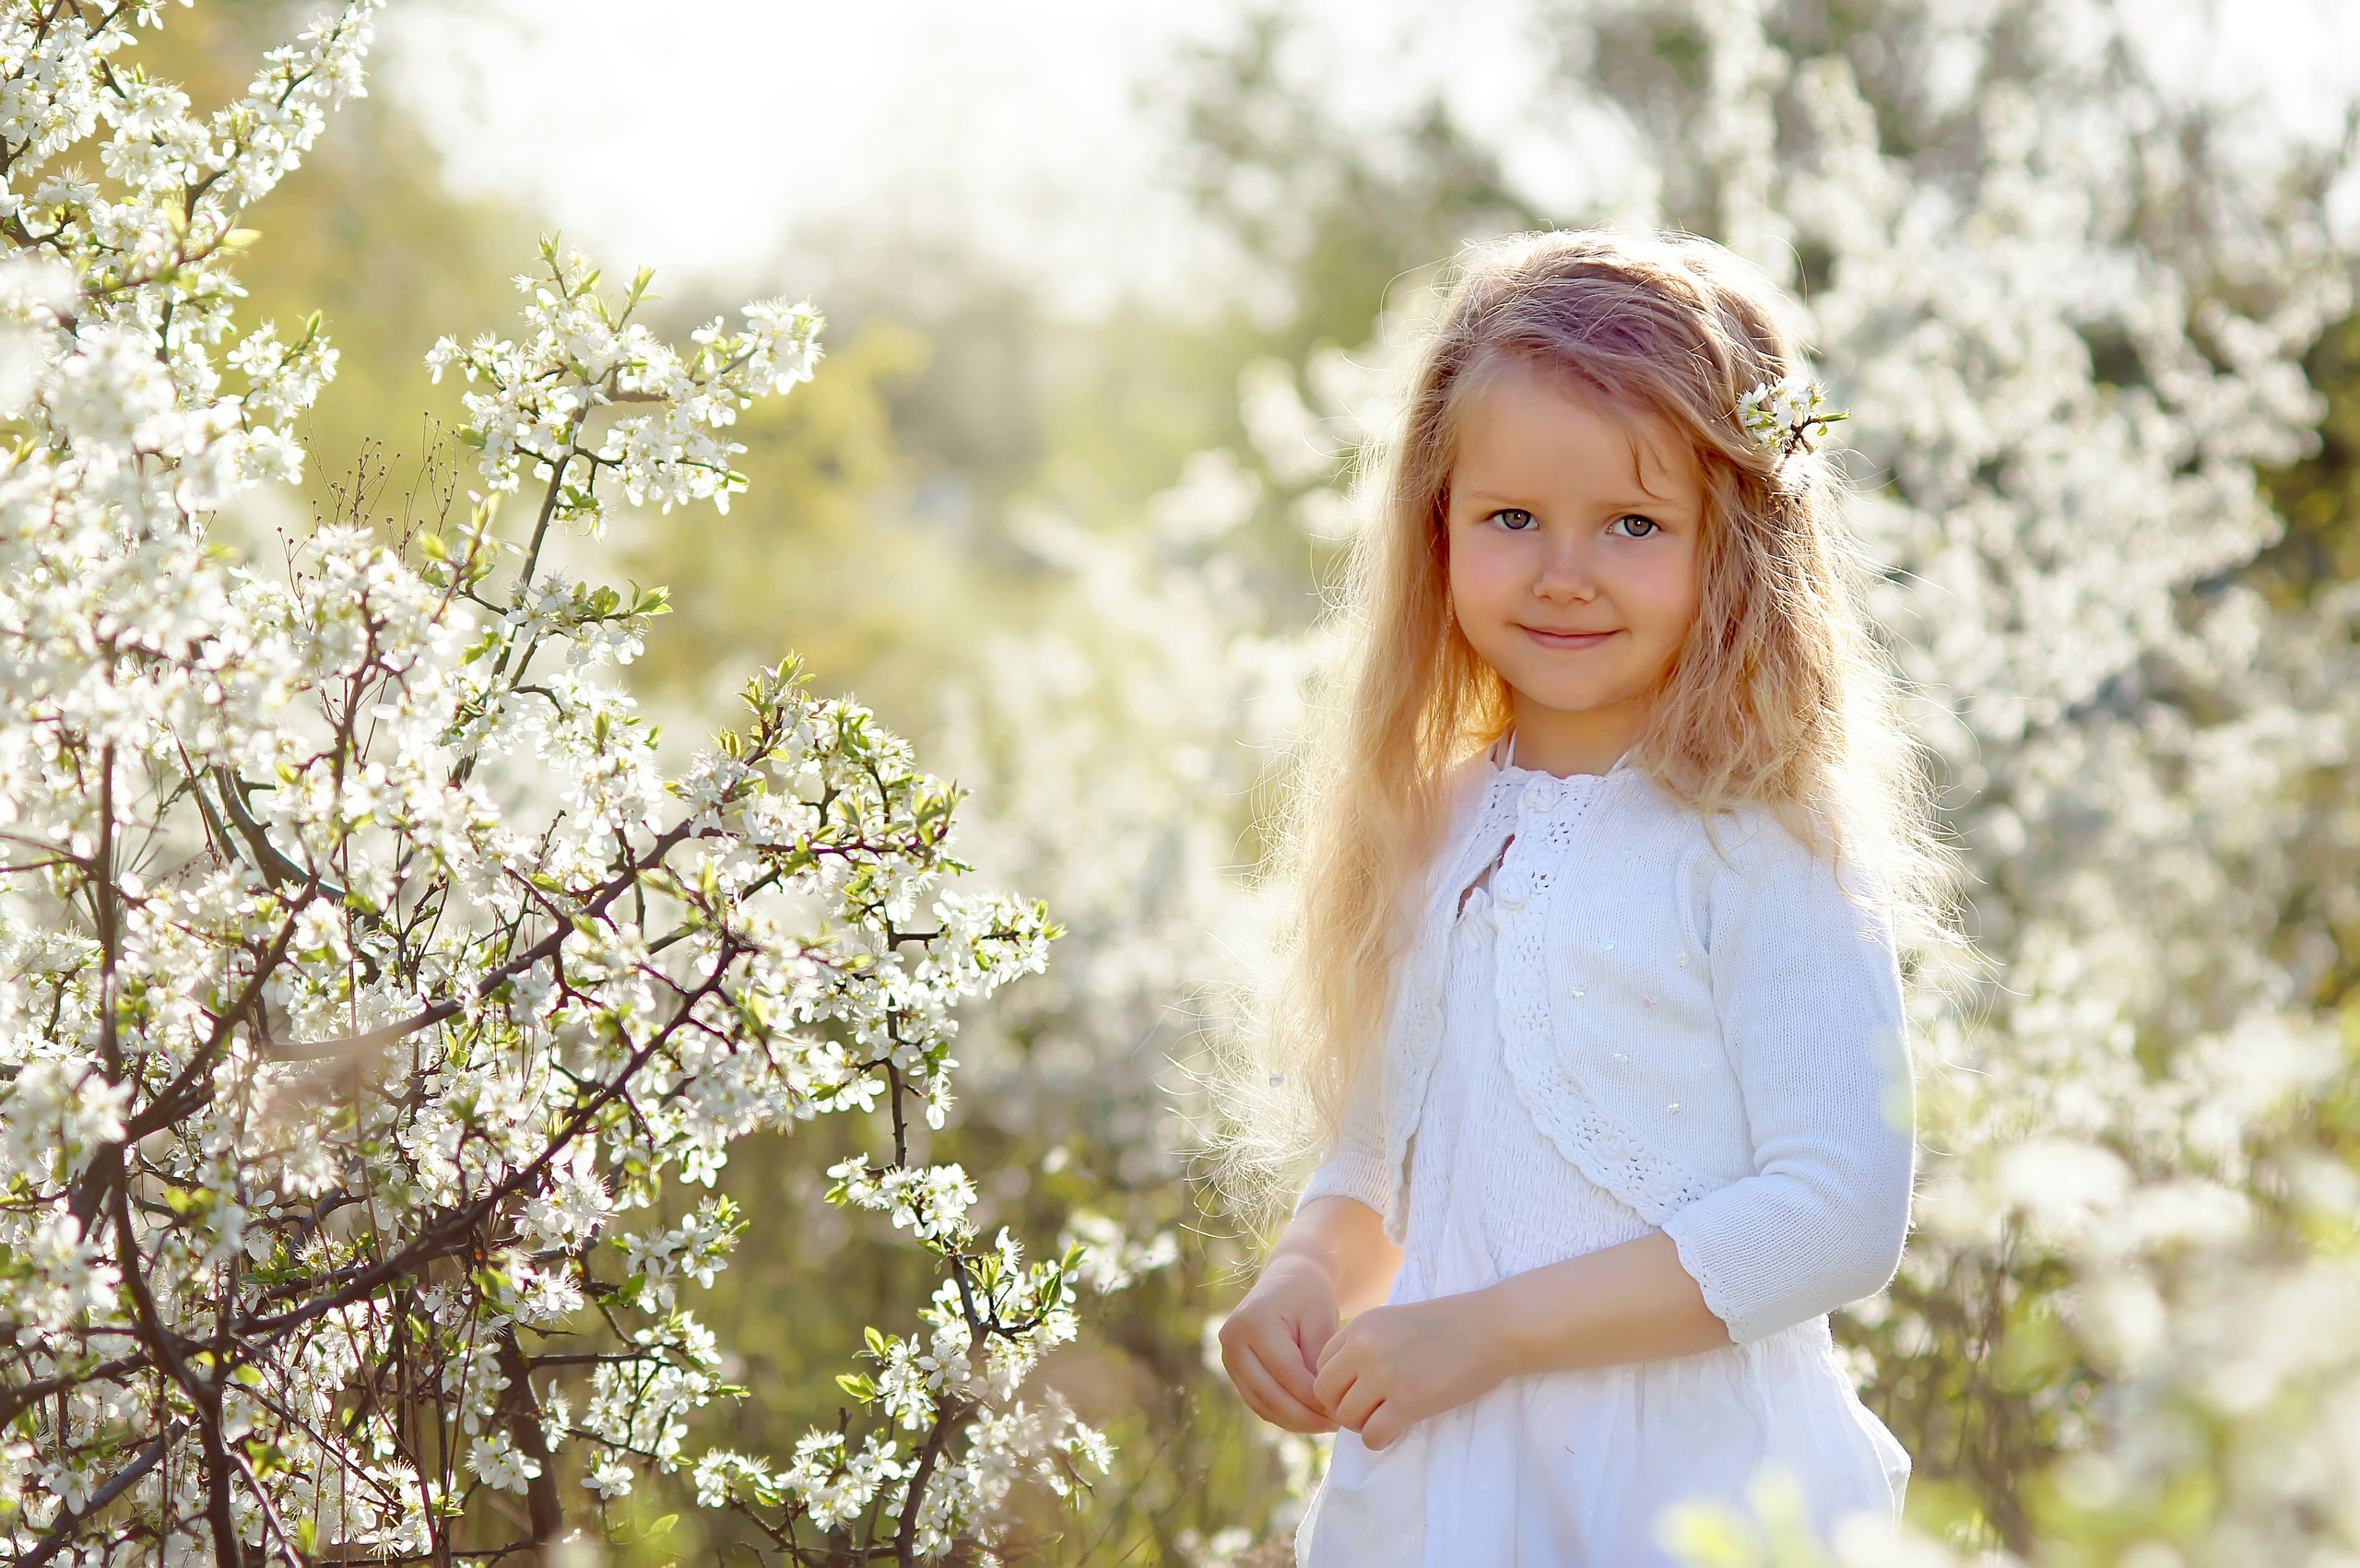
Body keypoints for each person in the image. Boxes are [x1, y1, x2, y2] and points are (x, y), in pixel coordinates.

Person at [1214, 228, 1957, 1565]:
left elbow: (1838, 1209)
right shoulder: (1430, 822)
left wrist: (1492, 1332)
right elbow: (1387, 1158)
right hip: (1448, 1482)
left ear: (1734, 542)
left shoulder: (1755, 837)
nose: (1566, 571)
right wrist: (1307, 1273)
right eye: (1512, 519)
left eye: (1634, 523)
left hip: (1683, 1486)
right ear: (1438, 528)